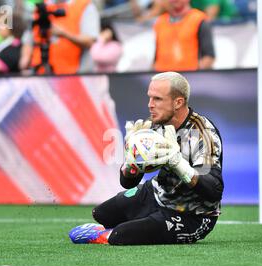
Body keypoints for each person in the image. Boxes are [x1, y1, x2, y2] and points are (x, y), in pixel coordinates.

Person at [69, 72, 224, 245]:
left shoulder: (202, 132)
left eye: (157, 99)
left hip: (191, 215)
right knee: (101, 213)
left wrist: (178, 163)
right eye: (149, 98)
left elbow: (214, 190)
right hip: (155, 194)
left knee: (118, 236)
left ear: (178, 102)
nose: (150, 105)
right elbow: (127, 183)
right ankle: (136, 225)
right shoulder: (153, 126)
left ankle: (116, 232)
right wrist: (130, 164)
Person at [28, 0, 100, 75]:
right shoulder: (42, 5)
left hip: (72, 75)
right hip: (38, 74)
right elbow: (30, 35)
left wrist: (64, 34)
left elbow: (90, 41)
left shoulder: (84, 5)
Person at [153, 0, 215, 71]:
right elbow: (156, 57)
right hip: (162, 76)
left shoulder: (199, 20)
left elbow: (209, 57)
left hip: (189, 76)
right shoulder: (160, 21)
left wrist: (196, 75)